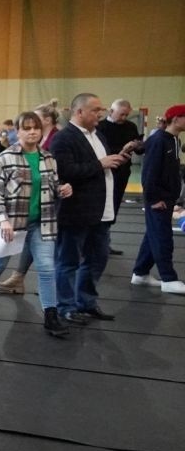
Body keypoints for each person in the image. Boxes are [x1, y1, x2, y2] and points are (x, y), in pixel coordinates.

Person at [0, 111, 73, 336]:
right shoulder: (5, 158)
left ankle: (51, 316)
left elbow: (52, 187)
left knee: (47, 268)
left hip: (41, 223)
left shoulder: (48, 158)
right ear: (17, 131)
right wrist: (3, 220)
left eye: (36, 128)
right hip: (11, 224)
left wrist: (62, 189)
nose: (32, 132)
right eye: (27, 128)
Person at [50, 93, 129, 324]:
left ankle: (86, 302)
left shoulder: (98, 136)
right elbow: (64, 172)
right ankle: (65, 307)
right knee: (68, 262)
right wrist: (100, 164)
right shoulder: (63, 139)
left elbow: (98, 168)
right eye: (95, 110)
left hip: (100, 212)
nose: (100, 114)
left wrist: (116, 160)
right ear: (79, 112)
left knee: (97, 260)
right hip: (76, 213)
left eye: (101, 110)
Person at [131, 105, 185, 294]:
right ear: (176, 119)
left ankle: (140, 273)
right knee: (163, 237)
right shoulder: (158, 140)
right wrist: (153, 198)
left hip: (168, 197)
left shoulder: (174, 140)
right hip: (158, 199)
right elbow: (149, 171)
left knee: (153, 236)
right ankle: (168, 278)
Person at [96, 99, 145, 227]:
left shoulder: (131, 126)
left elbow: (139, 151)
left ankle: (107, 233)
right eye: (121, 114)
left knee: (115, 203)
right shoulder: (99, 127)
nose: (124, 118)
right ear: (111, 111)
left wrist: (138, 145)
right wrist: (122, 150)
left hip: (122, 172)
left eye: (126, 115)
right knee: (101, 204)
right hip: (103, 172)